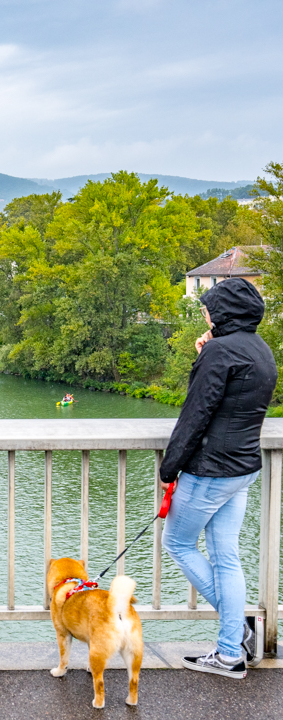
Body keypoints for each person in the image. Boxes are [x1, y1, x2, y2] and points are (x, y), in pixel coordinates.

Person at [160, 279, 276, 679]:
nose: (205, 313)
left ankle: (236, 633)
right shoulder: (259, 350)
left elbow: (196, 414)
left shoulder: (221, 352)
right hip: (244, 468)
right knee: (226, 557)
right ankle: (232, 646)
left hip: (210, 469)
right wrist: (207, 352)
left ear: (222, 312)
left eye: (209, 308)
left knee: (175, 542)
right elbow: (234, 399)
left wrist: (168, 468)